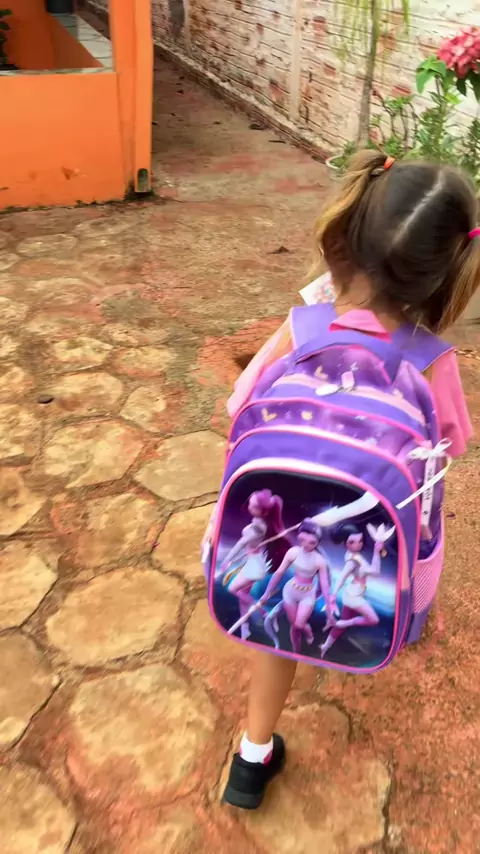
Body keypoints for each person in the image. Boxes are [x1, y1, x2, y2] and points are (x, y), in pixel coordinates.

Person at [221, 151, 476, 811]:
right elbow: (450, 447)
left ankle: (252, 757)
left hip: (282, 535)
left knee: (278, 633)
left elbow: (239, 408)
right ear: (445, 276)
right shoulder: (432, 361)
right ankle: (389, 630)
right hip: (369, 542)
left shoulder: (301, 328)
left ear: (347, 235)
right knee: (381, 587)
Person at [320, 522, 395, 659]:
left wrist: (376, 551)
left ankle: (325, 645)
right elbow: (345, 576)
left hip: (354, 592)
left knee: (342, 626)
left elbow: (373, 571)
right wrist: (333, 595)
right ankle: (342, 623)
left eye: (360, 541)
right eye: (352, 542)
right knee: (373, 619)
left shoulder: (354, 555)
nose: (357, 545)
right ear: (345, 543)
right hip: (353, 596)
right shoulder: (352, 561)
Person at [217, 489, 284, 640]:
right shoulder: (261, 523)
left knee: (233, 589)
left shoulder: (256, 529)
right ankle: (245, 628)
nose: (248, 507)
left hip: (254, 567)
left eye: (253, 506)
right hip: (253, 561)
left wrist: (227, 560)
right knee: (243, 596)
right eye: (250, 503)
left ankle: (264, 611)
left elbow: (240, 544)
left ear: (264, 512)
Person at [261, 519, 335, 653]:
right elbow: (279, 572)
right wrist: (267, 593)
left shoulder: (320, 561)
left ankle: (308, 632)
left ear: (317, 543)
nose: (306, 545)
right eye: (303, 540)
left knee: (299, 624)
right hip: (290, 592)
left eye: (312, 542)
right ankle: (296, 650)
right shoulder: (293, 552)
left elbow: (325, 586)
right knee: (294, 626)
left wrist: (329, 611)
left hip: (308, 594)